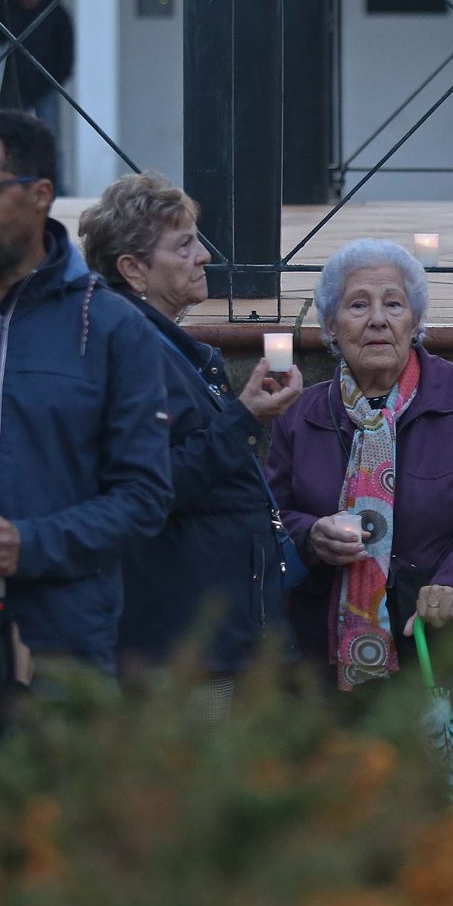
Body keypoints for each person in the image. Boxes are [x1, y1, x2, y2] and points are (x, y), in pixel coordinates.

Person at [0, 110, 171, 676]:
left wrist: (33, 543)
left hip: (60, 648)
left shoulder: (114, 329)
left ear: (40, 194)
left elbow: (143, 496)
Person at [265, 238, 453, 694]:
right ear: (331, 327)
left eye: (393, 304)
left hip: (447, 648)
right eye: (358, 305)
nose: (378, 319)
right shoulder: (301, 414)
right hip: (327, 658)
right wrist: (310, 536)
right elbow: (269, 518)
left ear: (414, 322)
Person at [78, 171, 304, 686]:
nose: (204, 255)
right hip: (188, 643)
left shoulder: (154, 343)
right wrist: (244, 421)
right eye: (184, 246)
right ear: (134, 270)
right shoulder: (131, 351)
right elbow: (149, 486)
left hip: (210, 629)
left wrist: (243, 415)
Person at [3, 0, 74, 192]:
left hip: (46, 88)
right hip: (16, 89)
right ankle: (15, 188)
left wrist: (55, 81)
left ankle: (56, 190)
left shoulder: (55, 11)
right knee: (13, 143)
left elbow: (66, 50)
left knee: (50, 141)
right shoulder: (7, 11)